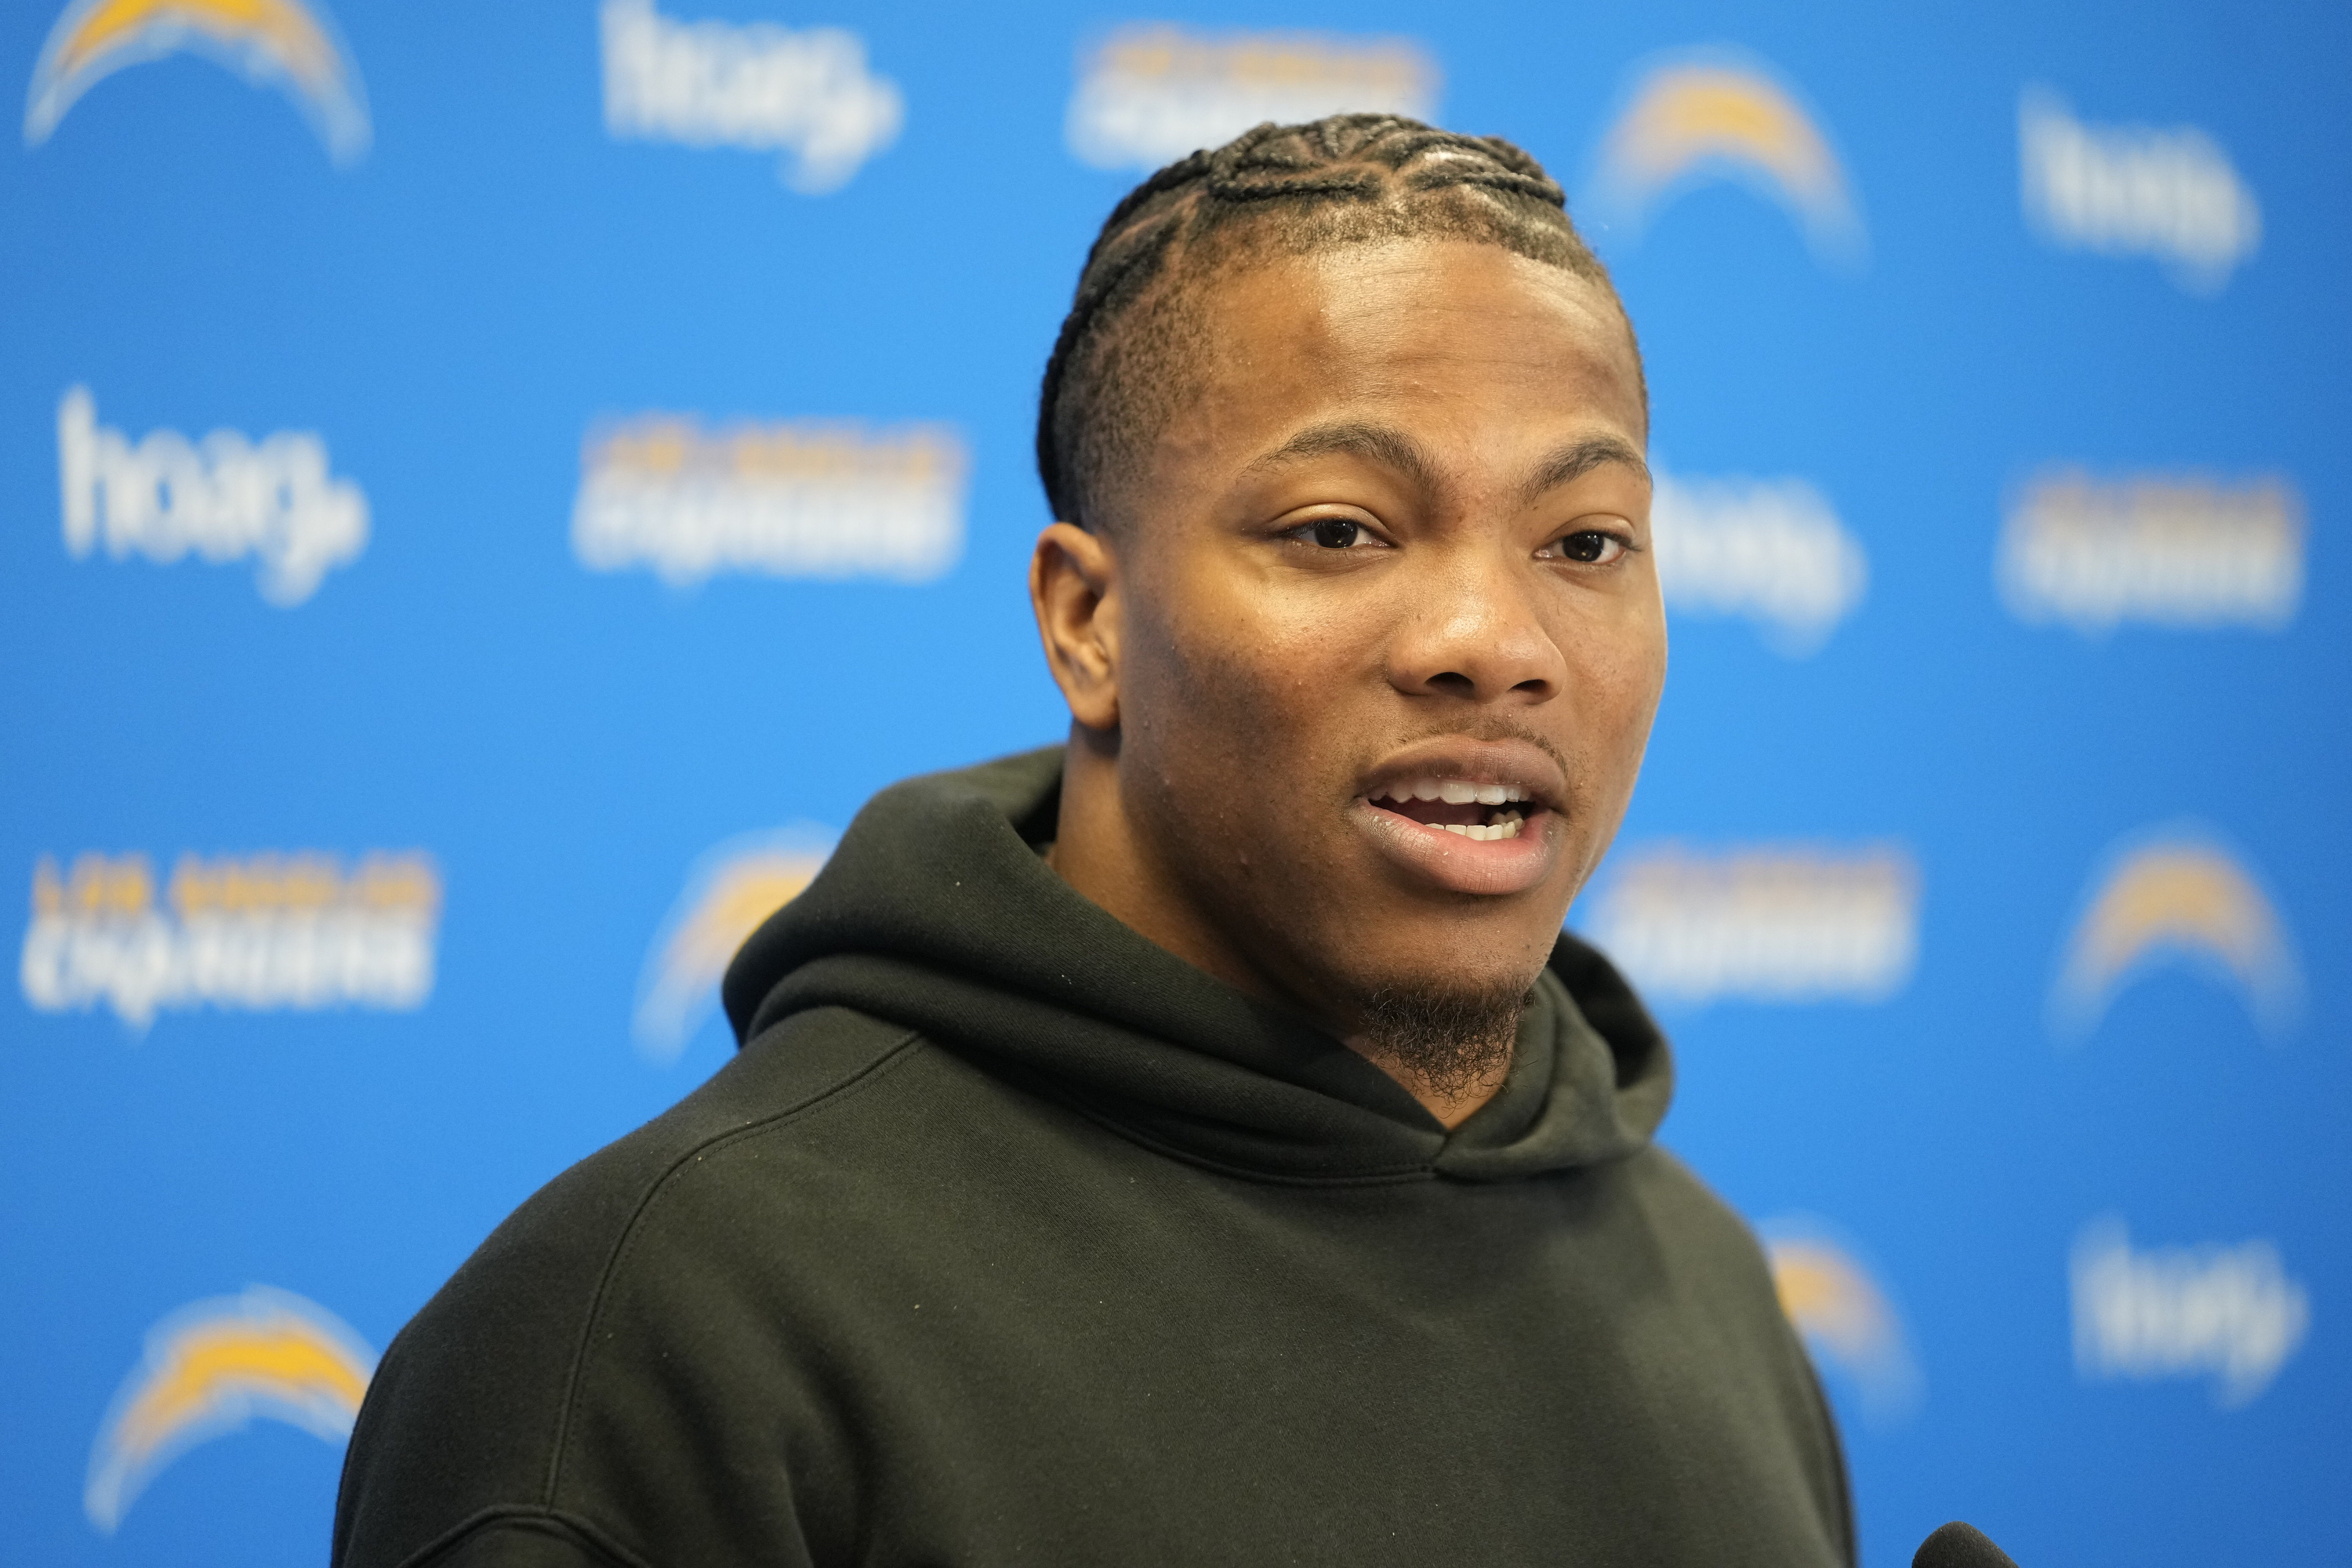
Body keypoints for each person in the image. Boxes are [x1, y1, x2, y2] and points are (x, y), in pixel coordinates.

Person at [332, 114, 1854, 1568]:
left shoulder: (1706, 1284)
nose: (1494, 640)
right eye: (1341, 529)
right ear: (1088, 621)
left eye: (1586, 542)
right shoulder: (654, 1334)